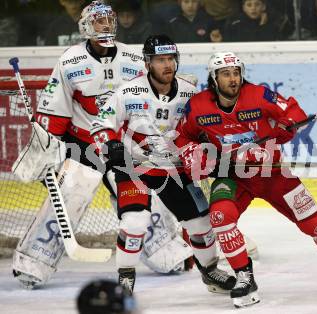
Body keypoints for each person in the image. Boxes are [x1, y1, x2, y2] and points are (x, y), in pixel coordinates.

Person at [174, 52, 317, 308]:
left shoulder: (259, 95)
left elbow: (293, 112)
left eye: (236, 72)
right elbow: (182, 136)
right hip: (233, 176)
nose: (233, 79)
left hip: (273, 172)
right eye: (226, 74)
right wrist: (193, 152)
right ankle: (245, 277)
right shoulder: (198, 106)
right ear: (214, 78)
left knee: (315, 222)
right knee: (220, 217)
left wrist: (288, 125)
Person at [11, 1, 187, 289]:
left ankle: (168, 254)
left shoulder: (133, 58)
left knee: (141, 202)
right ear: (85, 26)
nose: (105, 26)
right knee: (69, 197)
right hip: (84, 145)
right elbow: (55, 109)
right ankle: (33, 263)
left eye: (108, 20)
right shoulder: (70, 61)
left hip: (122, 145)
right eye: (97, 21)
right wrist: (47, 150)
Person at [89, 34, 236, 294]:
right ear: (147, 63)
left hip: (175, 169)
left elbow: (207, 126)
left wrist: (212, 148)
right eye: (160, 60)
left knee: (202, 225)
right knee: (135, 222)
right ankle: (125, 279)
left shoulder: (191, 93)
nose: (167, 65)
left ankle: (210, 271)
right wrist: (110, 144)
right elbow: (101, 124)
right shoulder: (127, 91)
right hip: (134, 166)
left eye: (170, 59)